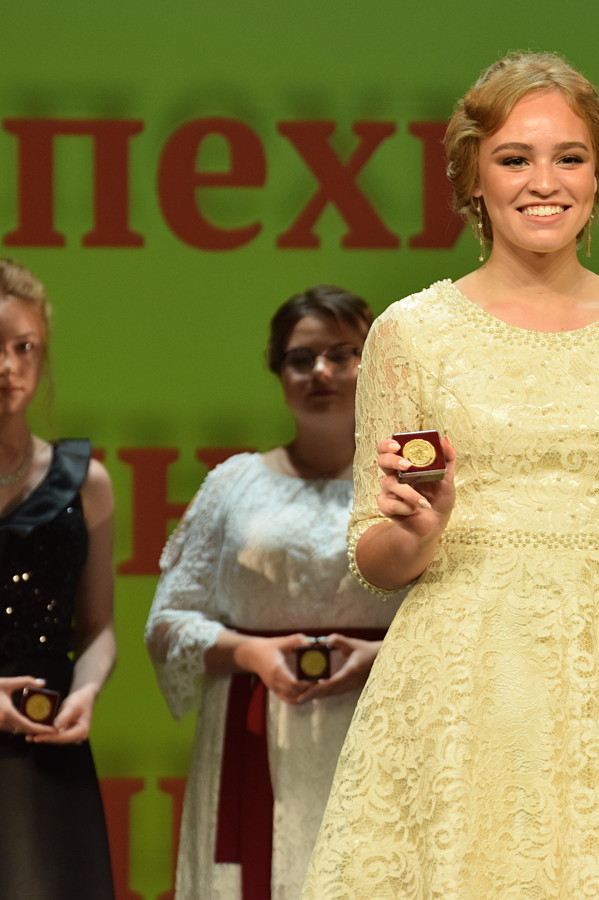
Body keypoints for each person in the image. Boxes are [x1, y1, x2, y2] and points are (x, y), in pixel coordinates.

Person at [303, 52, 599, 898]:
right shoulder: (411, 332)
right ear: (473, 178)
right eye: (515, 158)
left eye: (569, 157)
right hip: (459, 686)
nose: (544, 182)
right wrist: (419, 532)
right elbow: (370, 554)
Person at [145, 285, 398, 899]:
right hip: (254, 731)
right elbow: (168, 622)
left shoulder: (405, 484)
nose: (321, 372)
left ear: (375, 363)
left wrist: (381, 657)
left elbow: (456, 615)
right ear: (278, 371)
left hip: (382, 727)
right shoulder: (234, 485)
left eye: (342, 353)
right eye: (300, 358)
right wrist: (249, 652)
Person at [0, 259, 117, 900]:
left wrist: (87, 689)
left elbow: (97, 628)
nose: (7, 367)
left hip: (47, 746)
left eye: (24, 347)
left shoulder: (85, 481)